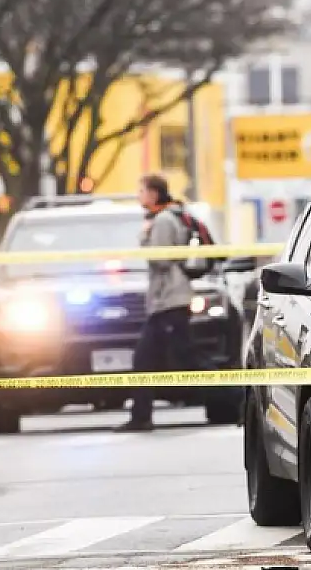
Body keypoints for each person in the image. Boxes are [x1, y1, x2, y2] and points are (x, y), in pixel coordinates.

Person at [116, 173, 195, 432]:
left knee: (181, 360)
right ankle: (141, 416)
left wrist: (144, 237)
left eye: (141, 191)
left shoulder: (161, 220)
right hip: (169, 300)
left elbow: (159, 260)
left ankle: (237, 399)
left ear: (153, 193)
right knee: (153, 359)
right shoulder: (171, 215)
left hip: (169, 300)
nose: (139, 196)